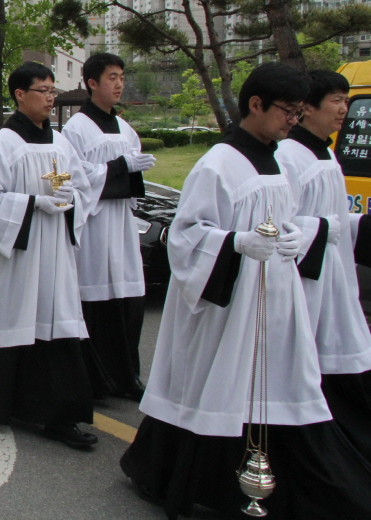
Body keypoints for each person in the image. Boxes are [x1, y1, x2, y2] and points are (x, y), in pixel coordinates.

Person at [121, 63, 371, 520]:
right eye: (287, 111)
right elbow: (185, 236)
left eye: (298, 112)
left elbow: (287, 214)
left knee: (277, 389)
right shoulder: (217, 164)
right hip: (228, 304)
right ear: (255, 105)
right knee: (217, 391)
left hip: (276, 297)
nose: (292, 121)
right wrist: (236, 242)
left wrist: (298, 235)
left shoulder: (275, 159)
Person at [0, 61, 98, 450]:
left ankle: (60, 415)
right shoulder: (3, 144)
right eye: (44, 91)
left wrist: (72, 201)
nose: (51, 98)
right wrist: (34, 203)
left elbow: (82, 188)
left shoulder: (62, 142)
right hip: (20, 256)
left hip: (55, 255)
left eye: (53, 91)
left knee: (57, 323)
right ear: (20, 95)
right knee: (16, 319)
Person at [276, 69, 371, 462]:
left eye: (347, 101)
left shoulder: (327, 152)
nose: (344, 110)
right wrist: (327, 228)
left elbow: (331, 217)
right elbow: (279, 223)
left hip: (334, 276)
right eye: (336, 100)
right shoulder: (287, 156)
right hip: (305, 281)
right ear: (307, 107)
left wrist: (358, 226)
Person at [62, 53, 155, 400]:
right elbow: (73, 177)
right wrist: (118, 167)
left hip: (122, 225)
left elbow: (133, 177)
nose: (119, 84)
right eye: (112, 77)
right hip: (96, 225)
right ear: (92, 83)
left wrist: (131, 170)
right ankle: (96, 378)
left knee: (128, 302)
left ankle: (127, 374)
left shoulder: (127, 129)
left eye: (121, 77)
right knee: (97, 303)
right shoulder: (76, 129)